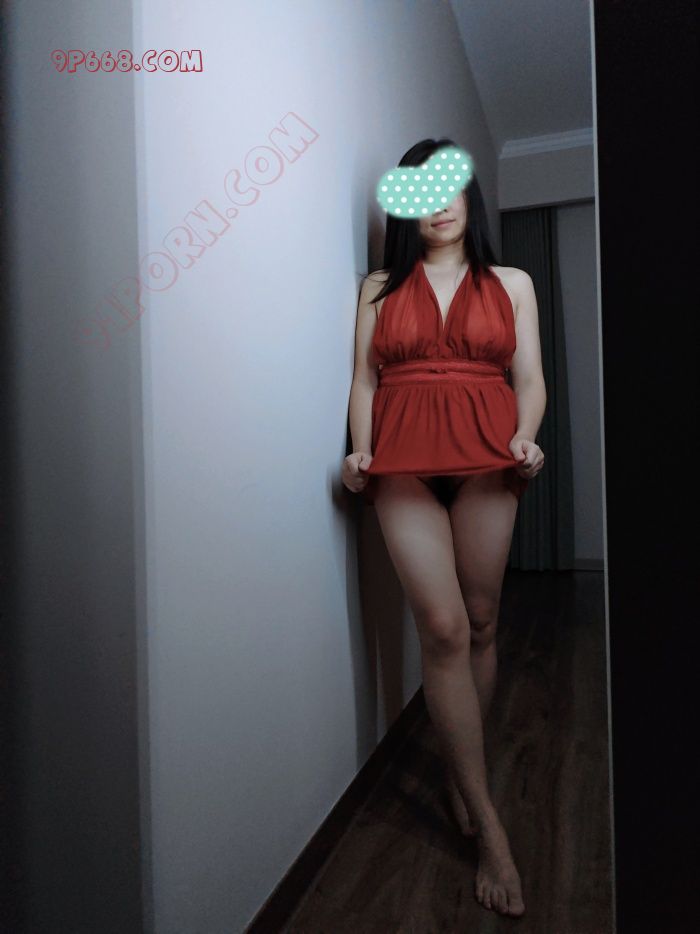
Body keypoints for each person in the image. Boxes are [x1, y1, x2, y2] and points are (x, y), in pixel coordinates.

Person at [342, 138, 547, 918]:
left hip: (490, 455)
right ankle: (489, 825)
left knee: (483, 619)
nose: (436, 203)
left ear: (468, 196)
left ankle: (466, 774)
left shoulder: (514, 283)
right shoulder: (377, 287)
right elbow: (365, 380)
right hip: (402, 462)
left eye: (448, 185)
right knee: (443, 625)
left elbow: (530, 380)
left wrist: (526, 437)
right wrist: (359, 449)